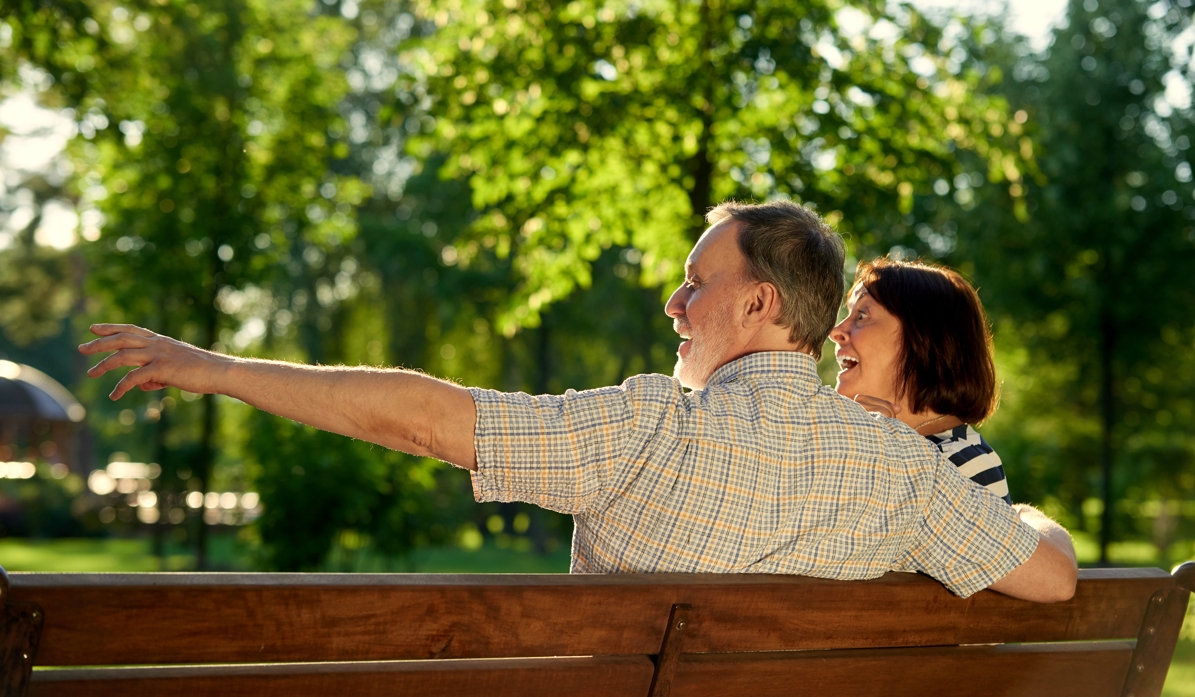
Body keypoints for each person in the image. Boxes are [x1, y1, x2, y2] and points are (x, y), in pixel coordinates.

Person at [79, 200, 1077, 602]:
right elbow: (1053, 581)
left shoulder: (644, 425)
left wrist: (219, 368)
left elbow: (422, 418)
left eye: (697, 282)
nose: (673, 301)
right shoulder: (901, 467)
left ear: (762, 303)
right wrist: (1029, 515)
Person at [830, 259, 1011, 504]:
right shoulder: (893, 446)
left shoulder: (962, 463)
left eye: (862, 315)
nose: (836, 331)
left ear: (923, 340)